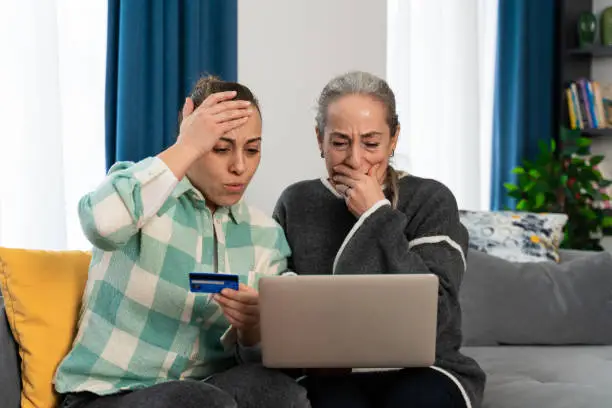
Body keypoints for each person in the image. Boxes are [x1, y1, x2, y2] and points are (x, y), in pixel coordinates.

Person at [54, 76, 310, 408]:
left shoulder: (264, 234)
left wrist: (254, 329)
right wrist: (185, 147)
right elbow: (99, 224)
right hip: (108, 394)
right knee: (197, 401)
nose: (240, 167)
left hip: (207, 388)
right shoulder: (141, 194)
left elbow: (272, 350)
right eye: (219, 147)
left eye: (252, 149)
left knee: (280, 393)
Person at [273, 71, 486, 408]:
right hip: (327, 373)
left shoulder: (431, 199)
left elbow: (437, 313)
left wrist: (377, 215)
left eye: (371, 143)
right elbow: (279, 303)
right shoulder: (296, 202)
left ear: (394, 139)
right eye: (339, 142)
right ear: (319, 139)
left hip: (428, 368)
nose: (356, 159)